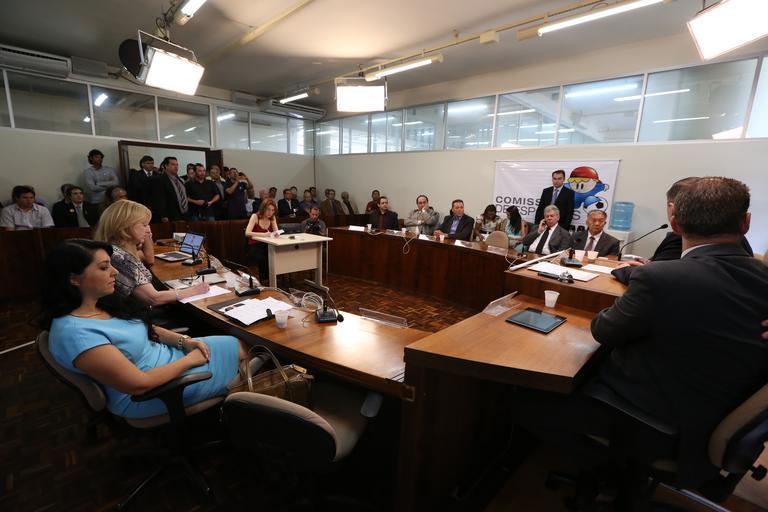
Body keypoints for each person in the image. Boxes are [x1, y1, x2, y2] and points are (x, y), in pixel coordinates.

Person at [515, 177, 768, 491]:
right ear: (746, 223)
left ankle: (607, 475)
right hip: (712, 419)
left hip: (654, 422)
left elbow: (604, 330)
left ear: (674, 223)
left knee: (524, 395)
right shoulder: (763, 278)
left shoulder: (662, 278)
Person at [40, 238, 249, 419]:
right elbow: (139, 384)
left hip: (169, 360)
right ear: (74, 279)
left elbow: (147, 329)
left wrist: (185, 342)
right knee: (254, 360)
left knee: (242, 346)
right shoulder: (77, 334)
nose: (115, 272)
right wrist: (190, 360)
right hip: (153, 392)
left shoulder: (100, 302)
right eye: (103, 268)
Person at [611, 177, 754, 284]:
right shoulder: (759, 273)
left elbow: (664, 276)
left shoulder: (667, 271)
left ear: (675, 220)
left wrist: (628, 270)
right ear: (746, 222)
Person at [94, 200, 208, 305]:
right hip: (137, 316)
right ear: (125, 227)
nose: (149, 230)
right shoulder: (120, 257)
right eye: (144, 225)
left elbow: (148, 259)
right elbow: (154, 298)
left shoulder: (116, 250)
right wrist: (195, 290)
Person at [245, 198, 280, 284]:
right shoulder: (255, 216)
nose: (270, 212)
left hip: (267, 244)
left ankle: (274, 277)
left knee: (277, 253)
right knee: (265, 255)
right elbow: (247, 233)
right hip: (254, 245)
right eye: (268, 209)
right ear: (263, 208)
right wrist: (263, 234)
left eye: (272, 210)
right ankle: (265, 279)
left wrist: (276, 234)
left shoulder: (272, 217)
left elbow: (276, 232)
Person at [149, 157, 189, 223]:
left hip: (184, 214)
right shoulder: (160, 179)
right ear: (166, 166)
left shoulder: (179, 180)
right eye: (173, 164)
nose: (176, 167)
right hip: (171, 216)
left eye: (177, 165)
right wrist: (163, 215)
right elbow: (160, 199)